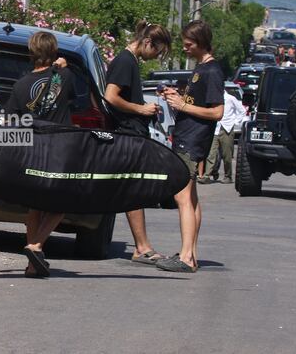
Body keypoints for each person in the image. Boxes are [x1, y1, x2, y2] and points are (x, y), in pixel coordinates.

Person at [3, 31, 75, 278]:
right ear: (54, 52)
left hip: (32, 149)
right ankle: (36, 245)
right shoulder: (63, 76)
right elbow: (79, 102)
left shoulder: (21, 85)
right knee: (61, 202)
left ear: (31, 53)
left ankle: (32, 266)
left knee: (34, 207)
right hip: (59, 147)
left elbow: (11, 121)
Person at [158, 20, 224, 273]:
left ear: (201, 43)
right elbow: (199, 102)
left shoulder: (212, 72)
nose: (184, 47)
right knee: (191, 198)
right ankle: (191, 253)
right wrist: (177, 97)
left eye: (189, 43)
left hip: (192, 139)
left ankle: (185, 257)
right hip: (188, 135)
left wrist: (183, 106)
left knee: (182, 196)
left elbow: (217, 111)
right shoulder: (201, 69)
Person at [104, 20, 172, 266]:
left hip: (131, 131)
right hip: (127, 133)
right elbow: (110, 96)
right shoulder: (124, 61)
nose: (155, 57)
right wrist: (140, 109)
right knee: (133, 189)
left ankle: (142, 246)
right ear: (146, 42)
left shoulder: (129, 61)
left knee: (133, 189)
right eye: (157, 50)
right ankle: (142, 247)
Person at [199, 90, 246, 185]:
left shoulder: (230, 98)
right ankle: (207, 175)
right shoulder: (213, 99)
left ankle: (228, 176)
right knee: (211, 153)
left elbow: (242, 111)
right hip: (215, 129)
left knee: (226, 154)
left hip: (227, 129)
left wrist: (235, 122)